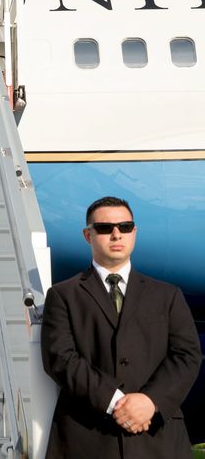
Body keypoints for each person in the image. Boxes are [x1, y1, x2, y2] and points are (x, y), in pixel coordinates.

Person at [41, 196, 201, 458]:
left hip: (157, 438)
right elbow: (60, 359)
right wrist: (116, 402)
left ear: (134, 232)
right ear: (87, 235)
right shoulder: (62, 295)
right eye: (105, 228)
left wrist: (150, 401)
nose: (116, 235)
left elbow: (187, 356)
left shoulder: (168, 295)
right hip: (88, 439)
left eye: (125, 227)